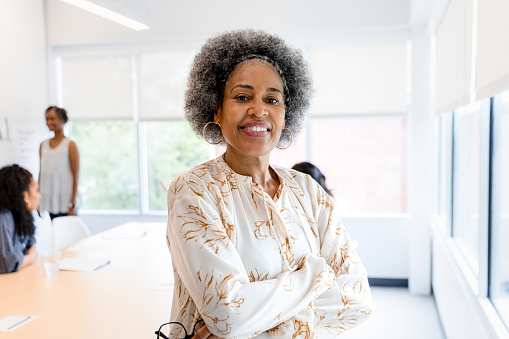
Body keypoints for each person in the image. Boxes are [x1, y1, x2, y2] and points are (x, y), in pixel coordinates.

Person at [166, 29, 373, 339]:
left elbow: (358, 299)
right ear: (216, 110)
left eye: (272, 99)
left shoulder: (309, 191)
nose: (258, 110)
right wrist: (317, 274)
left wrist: (254, 318)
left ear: (285, 113)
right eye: (242, 96)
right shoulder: (195, 191)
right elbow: (227, 316)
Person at [39, 106, 80, 219]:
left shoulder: (70, 145)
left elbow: (76, 175)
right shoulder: (43, 145)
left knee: (71, 235)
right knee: (57, 234)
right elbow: (41, 173)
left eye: (52, 118)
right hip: (51, 201)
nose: (49, 122)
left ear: (62, 120)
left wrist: (73, 203)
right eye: (47, 119)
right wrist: (38, 200)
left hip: (66, 202)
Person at [0, 165, 40, 273]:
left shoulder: (24, 215)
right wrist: (31, 257)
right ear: (25, 196)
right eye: (36, 191)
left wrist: (26, 257)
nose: (39, 196)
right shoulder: (4, 217)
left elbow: (31, 242)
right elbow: (7, 263)